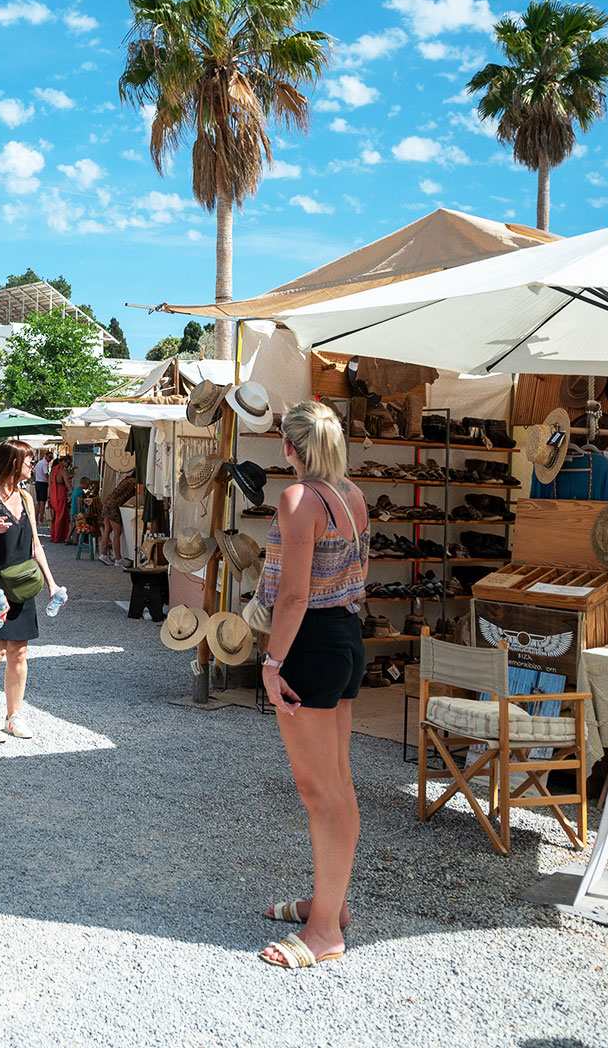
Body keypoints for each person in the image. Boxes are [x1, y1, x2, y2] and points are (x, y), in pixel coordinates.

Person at [254, 400, 371, 970]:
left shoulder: (299, 498)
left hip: (312, 642)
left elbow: (295, 596)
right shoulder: (352, 498)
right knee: (337, 783)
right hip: (345, 638)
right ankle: (332, 905)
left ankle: (324, 930)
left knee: (319, 790)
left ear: (290, 446)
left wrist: (272, 664)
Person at [0, 439, 63, 744]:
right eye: (28, 460)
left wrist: (52, 583)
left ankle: (13, 715)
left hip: (21, 585)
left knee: (19, 652)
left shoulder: (27, 498)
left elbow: (35, 546)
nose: (32, 465)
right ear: (12, 462)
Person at [100, 471, 136, 565]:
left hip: (107, 503)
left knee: (107, 530)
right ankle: (118, 558)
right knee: (117, 532)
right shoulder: (134, 482)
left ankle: (103, 554)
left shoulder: (127, 480)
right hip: (113, 506)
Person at [49, 455, 73, 544]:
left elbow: (49, 484)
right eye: (68, 463)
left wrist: (49, 496)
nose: (68, 465)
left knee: (55, 516)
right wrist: (75, 492)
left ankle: (54, 536)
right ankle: (59, 536)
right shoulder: (62, 471)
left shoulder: (53, 470)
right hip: (60, 492)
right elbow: (67, 484)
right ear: (63, 461)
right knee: (61, 515)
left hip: (53, 492)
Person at [32, 448, 52, 515]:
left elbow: (34, 471)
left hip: (38, 482)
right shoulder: (45, 463)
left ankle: (37, 519)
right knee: (42, 502)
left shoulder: (39, 462)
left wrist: (37, 478)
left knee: (38, 502)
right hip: (43, 483)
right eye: (49, 457)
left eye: (51, 458)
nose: (50, 459)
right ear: (45, 456)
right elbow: (46, 474)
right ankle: (40, 520)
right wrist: (49, 481)